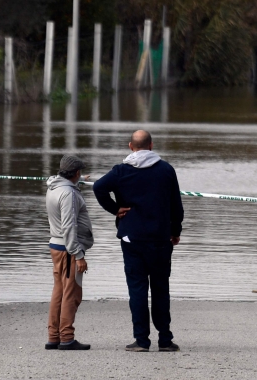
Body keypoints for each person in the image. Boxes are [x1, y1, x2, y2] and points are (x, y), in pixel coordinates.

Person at [93, 130, 183, 352]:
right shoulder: (165, 170)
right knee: (161, 290)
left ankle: (141, 340)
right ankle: (165, 340)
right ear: (151, 145)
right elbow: (176, 205)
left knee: (138, 290)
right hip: (161, 238)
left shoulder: (121, 171)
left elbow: (98, 187)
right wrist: (175, 230)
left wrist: (115, 209)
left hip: (132, 238)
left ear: (130, 146)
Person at [45, 154, 94, 351]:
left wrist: (81, 180)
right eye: (79, 173)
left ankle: (53, 336)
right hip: (68, 249)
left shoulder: (54, 187)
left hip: (56, 246)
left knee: (59, 292)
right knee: (71, 294)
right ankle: (66, 337)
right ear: (75, 173)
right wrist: (79, 255)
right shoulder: (70, 194)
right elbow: (69, 227)